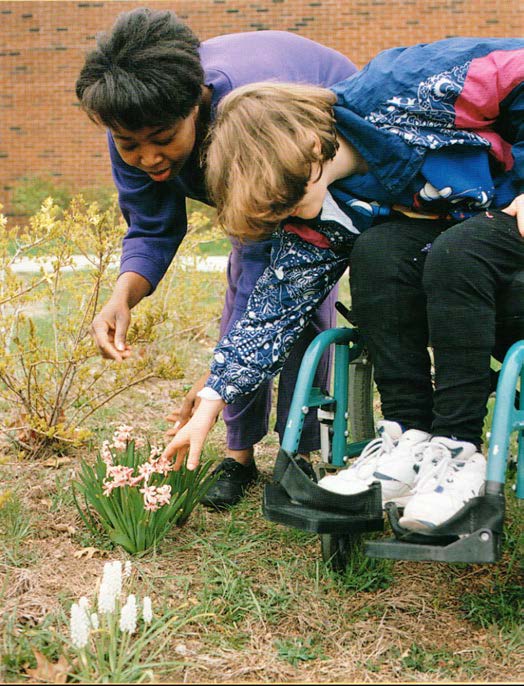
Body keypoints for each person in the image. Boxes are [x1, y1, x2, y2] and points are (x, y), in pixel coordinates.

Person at [161, 37, 524, 531]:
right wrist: (212, 397)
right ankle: (408, 440)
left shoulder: (411, 84)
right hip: (461, 256)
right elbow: (277, 306)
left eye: (282, 201)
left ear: (310, 147)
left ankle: (460, 450)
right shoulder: (326, 209)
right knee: (378, 252)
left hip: (507, 223)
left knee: (457, 251)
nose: (285, 217)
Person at [75, 7, 358, 508]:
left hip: (307, 166)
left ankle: (299, 451)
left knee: (298, 311)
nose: (147, 158)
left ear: (198, 102)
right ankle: (239, 454)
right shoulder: (136, 115)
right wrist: (123, 296)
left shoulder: (247, 106)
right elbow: (152, 226)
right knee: (242, 309)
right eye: (129, 146)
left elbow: (283, 240)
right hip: (250, 194)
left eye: (163, 140)